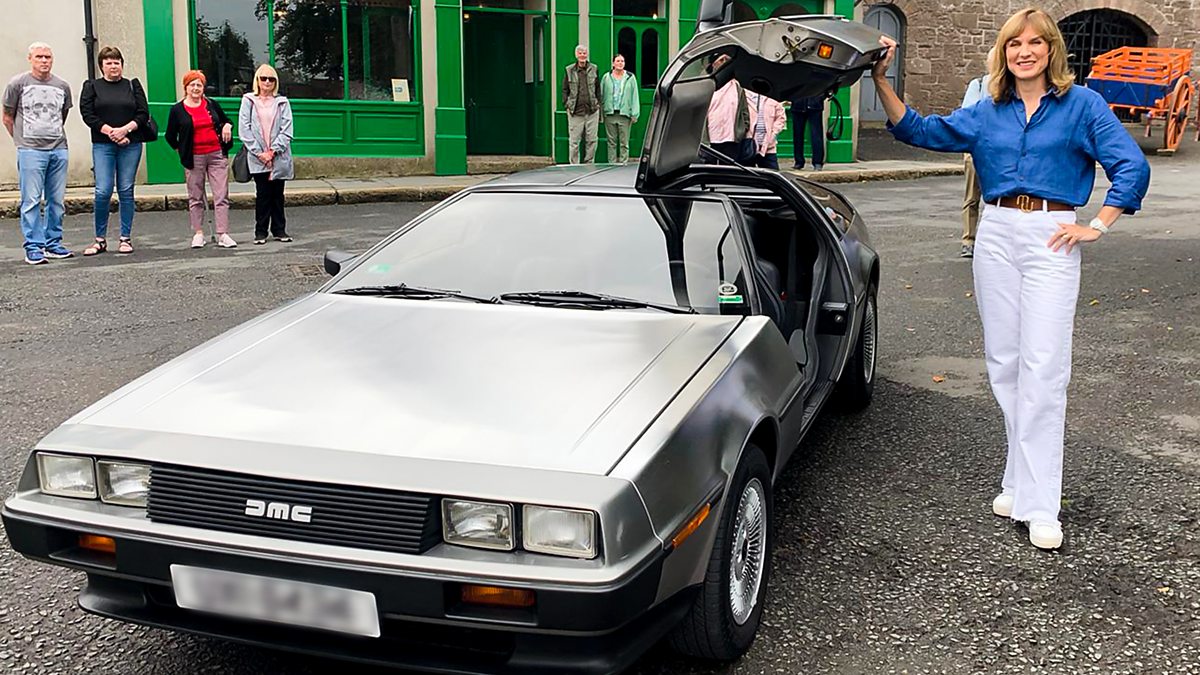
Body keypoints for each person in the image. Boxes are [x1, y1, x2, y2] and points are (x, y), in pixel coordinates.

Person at [871, 9, 1150, 550]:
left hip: (1051, 234)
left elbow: (1130, 166)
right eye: (1014, 44)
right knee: (1005, 366)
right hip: (995, 232)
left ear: (1051, 50)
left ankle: (1042, 505)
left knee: (1044, 369)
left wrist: (1097, 224)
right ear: (1003, 53)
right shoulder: (987, 110)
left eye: (1035, 43)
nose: (1025, 52)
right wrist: (882, 80)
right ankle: (1019, 483)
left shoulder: (1083, 106)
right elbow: (921, 130)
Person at [3, 42, 73, 265]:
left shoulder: (62, 86)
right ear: (30, 59)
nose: (44, 61)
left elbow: (62, 115)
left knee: (57, 201)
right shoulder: (17, 84)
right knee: (31, 200)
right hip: (30, 150)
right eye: (39, 57)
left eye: (48, 57)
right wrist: (21, 141)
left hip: (58, 149)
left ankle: (53, 243)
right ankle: (33, 246)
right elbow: (7, 116)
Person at [79, 46, 150, 256]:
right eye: (108, 63)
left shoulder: (132, 85)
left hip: (130, 144)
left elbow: (143, 113)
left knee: (126, 189)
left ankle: (125, 238)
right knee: (103, 190)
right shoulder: (92, 86)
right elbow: (87, 114)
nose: (113, 66)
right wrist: (111, 132)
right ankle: (100, 239)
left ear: (122, 65)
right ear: (101, 66)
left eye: (116, 62)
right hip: (103, 144)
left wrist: (125, 130)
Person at [165, 70, 236, 249]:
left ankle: (223, 234)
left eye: (199, 85)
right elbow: (170, 136)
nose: (196, 88)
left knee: (221, 195)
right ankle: (198, 233)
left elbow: (226, 120)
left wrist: (227, 126)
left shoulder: (212, 104)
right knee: (195, 196)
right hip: (194, 157)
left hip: (216, 154)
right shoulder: (177, 110)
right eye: (192, 85)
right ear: (186, 87)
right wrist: (182, 150)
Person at [239, 64, 294, 244]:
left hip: (279, 156)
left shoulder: (283, 102)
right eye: (264, 78)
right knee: (262, 195)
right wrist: (259, 152)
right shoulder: (248, 100)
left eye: (271, 79)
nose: (267, 82)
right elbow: (244, 129)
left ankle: (279, 230)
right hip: (258, 157)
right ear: (257, 80)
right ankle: (260, 232)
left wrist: (273, 151)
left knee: (278, 195)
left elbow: (287, 130)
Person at [958, 48, 995, 259]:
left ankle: (992, 242)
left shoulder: (1012, 86)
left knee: (998, 199)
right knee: (972, 197)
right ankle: (968, 240)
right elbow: (967, 116)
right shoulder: (979, 85)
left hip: (999, 153)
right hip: (975, 150)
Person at [704, 54, 753, 163]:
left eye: (727, 60)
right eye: (721, 60)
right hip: (710, 138)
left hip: (731, 138)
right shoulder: (706, 85)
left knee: (728, 169)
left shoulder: (737, 86)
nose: (724, 62)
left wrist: (743, 128)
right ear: (713, 64)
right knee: (708, 169)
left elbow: (744, 110)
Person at [561, 45, 601, 164]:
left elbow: (598, 88)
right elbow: (564, 89)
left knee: (592, 140)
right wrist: (567, 104)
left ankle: (589, 164)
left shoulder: (594, 68)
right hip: (575, 112)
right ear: (576, 55)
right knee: (574, 142)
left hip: (592, 111)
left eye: (584, 53)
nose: (582, 55)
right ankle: (574, 165)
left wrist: (598, 103)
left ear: (587, 54)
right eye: (580, 53)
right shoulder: (569, 70)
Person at [600, 54, 639, 163]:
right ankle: (611, 164)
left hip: (624, 115)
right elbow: (601, 95)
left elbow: (634, 96)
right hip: (610, 114)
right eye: (618, 61)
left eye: (622, 61)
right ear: (613, 63)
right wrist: (601, 113)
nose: (620, 63)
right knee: (611, 142)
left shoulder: (630, 77)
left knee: (624, 143)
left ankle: (623, 164)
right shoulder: (606, 77)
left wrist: (635, 113)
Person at [746, 91, 787, 170]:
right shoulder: (745, 95)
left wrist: (773, 133)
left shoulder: (773, 97)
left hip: (768, 146)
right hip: (748, 144)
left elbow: (781, 118)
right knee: (747, 174)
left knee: (772, 173)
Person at [789, 94, 825, 171]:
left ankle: (817, 162)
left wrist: (821, 96)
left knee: (816, 135)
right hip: (798, 104)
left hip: (815, 104)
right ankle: (799, 161)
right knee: (797, 135)